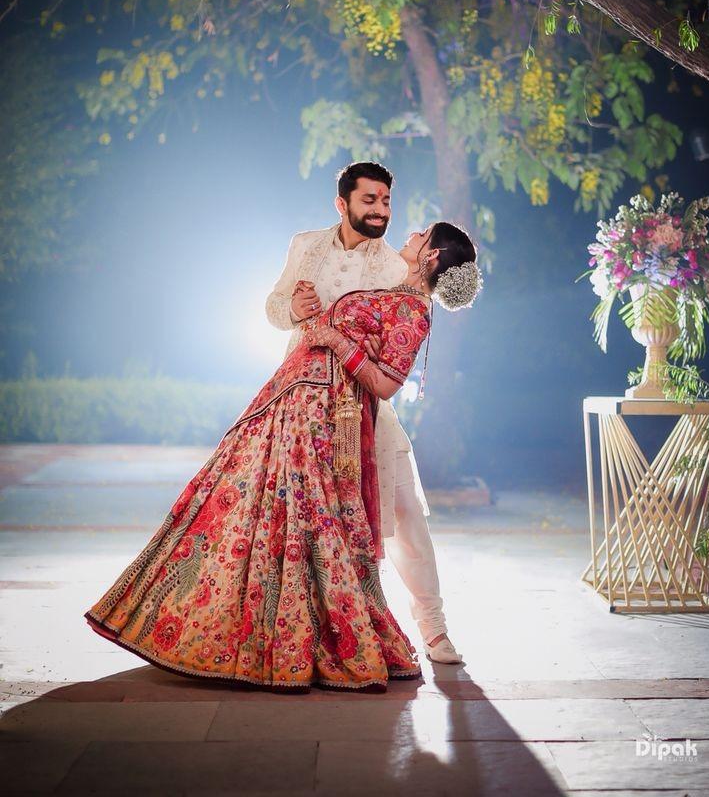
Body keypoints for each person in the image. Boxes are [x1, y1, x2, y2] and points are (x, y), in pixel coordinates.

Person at [84, 216, 481, 692]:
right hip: (297, 406)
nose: (408, 234)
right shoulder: (370, 272)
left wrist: (335, 339)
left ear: (432, 256)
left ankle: (387, 632)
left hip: (329, 420)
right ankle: (245, 632)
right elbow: (313, 321)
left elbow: (386, 384)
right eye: (373, 201)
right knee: (256, 510)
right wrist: (310, 317)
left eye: (420, 235)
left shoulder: (414, 310)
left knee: (345, 523)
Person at [265, 162, 467, 663]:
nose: (381, 213)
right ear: (343, 203)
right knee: (303, 521)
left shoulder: (395, 267)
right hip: (303, 402)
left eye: (386, 203)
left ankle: (433, 629)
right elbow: (271, 309)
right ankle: (305, 635)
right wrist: (293, 306)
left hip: (366, 409)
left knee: (403, 513)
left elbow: (406, 325)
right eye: (370, 202)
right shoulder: (304, 245)